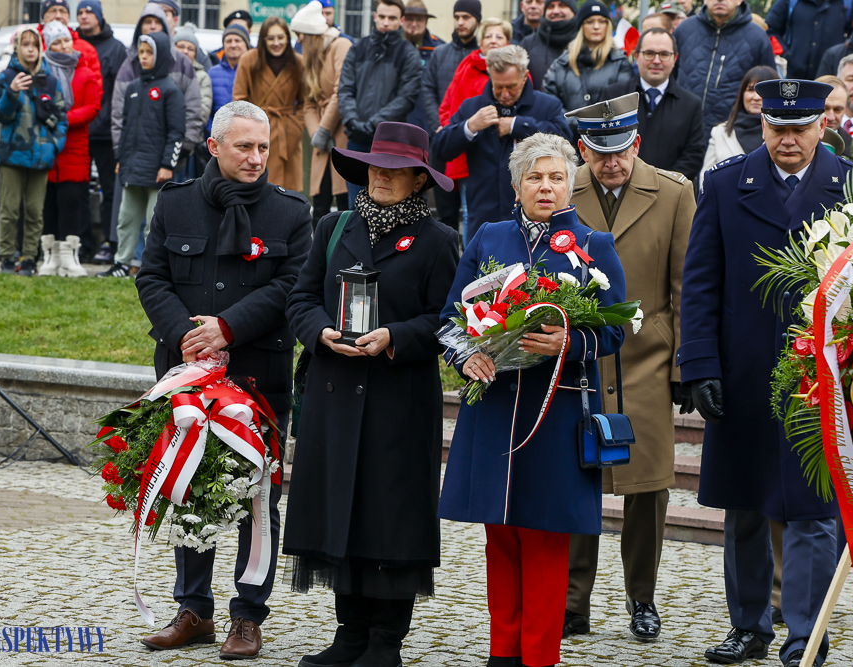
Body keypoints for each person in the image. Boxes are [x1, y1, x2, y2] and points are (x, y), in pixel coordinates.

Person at [679, 79, 853, 667]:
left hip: (825, 376)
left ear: (822, 126)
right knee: (744, 505)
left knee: (814, 508)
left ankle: (805, 635)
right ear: (761, 125)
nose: (788, 139)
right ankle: (749, 627)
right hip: (744, 374)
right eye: (777, 127)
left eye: (800, 127)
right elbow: (701, 284)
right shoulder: (724, 183)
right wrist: (700, 365)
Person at [438, 131, 627, 667]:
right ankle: (503, 654)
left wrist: (569, 341)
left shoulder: (595, 245)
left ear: (572, 183)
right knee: (500, 538)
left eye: (557, 178)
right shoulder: (488, 238)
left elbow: (615, 332)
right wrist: (463, 356)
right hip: (495, 407)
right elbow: (452, 319)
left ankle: (539, 657)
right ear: (516, 183)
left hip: (559, 410)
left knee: (545, 540)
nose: (546, 187)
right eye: (535, 177)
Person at [136, 100, 311, 661]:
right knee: (188, 488)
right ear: (214, 147)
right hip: (188, 375)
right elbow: (153, 276)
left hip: (258, 376)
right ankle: (194, 610)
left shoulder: (290, 213)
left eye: (263, 147)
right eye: (244, 147)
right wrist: (185, 335)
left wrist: (228, 328)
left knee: (257, 496)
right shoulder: (177, 203)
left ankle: (246, 616)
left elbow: (292, 288)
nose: (257, 157)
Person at [283, 121, 459, 667]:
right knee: (343, 512)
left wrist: (395, 337)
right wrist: (319, 332)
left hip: (399, 402)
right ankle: (349, 635)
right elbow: (301, 298)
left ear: (417, 179)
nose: (381, 176)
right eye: (376, 166)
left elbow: (449, 321)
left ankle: (386, 641)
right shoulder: (335, 226)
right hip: (336, 397)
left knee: (391, 517)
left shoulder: (438, 241)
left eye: (395, 169)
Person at [562, 92, 694, 642]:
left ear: (636, 144)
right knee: (576, 480)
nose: (611, 162)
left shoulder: (673, 192)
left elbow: (687, 284)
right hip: (579, 359)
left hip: (647, 355)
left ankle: (642, 597)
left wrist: (687, 364)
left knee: (647, 489)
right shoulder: (558, 189)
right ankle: (573, 602)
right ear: (581, 149)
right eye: (598, 152)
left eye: (620, 150)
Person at [433, 45, 570, 242]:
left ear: (525, 77)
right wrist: (470, 126)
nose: (504, 94)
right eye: (498, 87)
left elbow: (565, 138)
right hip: (484, 218)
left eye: (511, 87)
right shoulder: (472, 107)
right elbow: (440, 149)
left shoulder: (547, 105)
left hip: (536, 219)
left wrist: (518, 125)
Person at [99, 31, 184, 279]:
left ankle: (152, 268)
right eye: (141, 52)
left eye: (149, 53)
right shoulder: (133, 88)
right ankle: (122, 263)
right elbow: (126, 128)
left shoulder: (170, 90)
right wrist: (121, 160)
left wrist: (167, 164)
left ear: (160, 56)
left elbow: (177, 132)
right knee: (126, 220)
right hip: (132, 168)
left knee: (152, 224)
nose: (143, 57)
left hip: (157, 170)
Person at [0, 26, 67, 277]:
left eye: (34, 45)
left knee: (35, 212)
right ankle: (6, 257)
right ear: (17, 48)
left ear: (40, 48)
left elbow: (61, 118)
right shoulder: (7, 76)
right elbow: (1, 115)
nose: (30, 50)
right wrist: (12, 92)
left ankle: (28, 258)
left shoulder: (51, 80)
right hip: (12, 154)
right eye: (25, 45)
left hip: (40, 157)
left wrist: (53, 146)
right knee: (9, 210)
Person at [337, 0, 423, 205]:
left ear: (401, 20)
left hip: (390, 143)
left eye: (392, 18)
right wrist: (352, 120)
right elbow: (345, 89)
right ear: (374, 16)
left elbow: (406, 98)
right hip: (357, 138)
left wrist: (374, 125)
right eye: (382, 16)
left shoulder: (409, 54)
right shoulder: (358, 49)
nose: (386, 22)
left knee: (387, 202)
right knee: (355, 203)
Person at [38, 21, 101, 278]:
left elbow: (93, 106)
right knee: (48, 203)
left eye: (66, 41)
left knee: (71, 201)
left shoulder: (85, 72)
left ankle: (69, 256)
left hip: (75, 146)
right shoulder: (42, 73)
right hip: (48, 146)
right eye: (57, 43)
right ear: (48, 46)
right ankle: (50, 257)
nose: (64, 46)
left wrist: (63, 119)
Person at [112, 3, 203, 181]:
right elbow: (119, 116)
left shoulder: (182, 63)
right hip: (132, 161)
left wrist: (179, 152)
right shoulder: (129, 65)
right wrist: (120, 153)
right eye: (147, 21)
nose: (152, 26)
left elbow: (193, 110)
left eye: (157, 21)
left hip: (171, 161)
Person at [598, 28, 703, 181]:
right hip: (618, 188)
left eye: (664, 54)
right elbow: (600, 144)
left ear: (675, 59)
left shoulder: (691, 104)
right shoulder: (613, 97)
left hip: (669, 194)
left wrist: (663, 184)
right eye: (649, 53)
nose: (656, 60)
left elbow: (694, 155)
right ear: (636, 56)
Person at [436, 17, 511, 217]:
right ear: (480, 41)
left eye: (499, 36)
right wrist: (451, 129)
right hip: (467, 148)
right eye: (488, 36)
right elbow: (448, 104)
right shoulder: (466, 66)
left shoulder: (517, 71)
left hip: (505, 154)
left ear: (508, 42)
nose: (493, 40)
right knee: (472, 212)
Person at [419, 0, 481, 231]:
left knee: (473, 209)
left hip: (473, 142)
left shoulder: (483, 55)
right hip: (443, 140)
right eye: (457, 17)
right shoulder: (440, 53)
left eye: (466, 17)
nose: (461, 22)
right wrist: (438, 127)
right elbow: (427, 89)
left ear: (478, 20)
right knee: (445, 209)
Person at [674, 0, 777, 134]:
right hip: (682, 128)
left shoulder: (757, 38)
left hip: (733, 133)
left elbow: (770, 90)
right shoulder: (684, 30)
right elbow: (670, 78)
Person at [76, 0, 127, 265]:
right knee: (78, 189)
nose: (84, 17)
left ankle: (110, 241)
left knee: (110, 190)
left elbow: (119, 93)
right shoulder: (71, 45)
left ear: (99, 17)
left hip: (106, 132)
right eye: (80, 12)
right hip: (78, 130)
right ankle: (82, 243)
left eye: (89, 12)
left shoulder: (116, 49)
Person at [294, 0, 352, 229]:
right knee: (319, 203)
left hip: (341, 133)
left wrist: (325, 129)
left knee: (346, 201)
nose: (299, 40)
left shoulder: (341, 45)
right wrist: (317, 134)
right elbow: (307, 102)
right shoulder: (310, 57)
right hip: (321, 137)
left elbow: (341, 91)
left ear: (312, 34)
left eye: (302, 34)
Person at [232, 17, 305, 193]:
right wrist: (247, 131)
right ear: (263, 39)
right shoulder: (249, 60)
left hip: (288, 134)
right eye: (270, 38)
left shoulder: (298, 62)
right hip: (256, 133)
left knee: (287, 194)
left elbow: (305, 102)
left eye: (280, 37)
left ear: (288, 38)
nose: (276, 43)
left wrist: (296, 126)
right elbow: (239, 99)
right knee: (257, 187)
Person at [544, 1, 633, 134]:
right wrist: (579, 124)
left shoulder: (620, 62)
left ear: (607, 26)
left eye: (602, 21)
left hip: (607, 139)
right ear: (581, 26)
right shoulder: (562, 63)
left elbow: (625, 103)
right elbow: (550, 102)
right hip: (569, 140)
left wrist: (598, 124)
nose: (596, 26)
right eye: (590, 21)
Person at [699, 65, 777, 181]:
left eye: (762, 92)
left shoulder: (784, 134)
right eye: (750, 90)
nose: (756, 97)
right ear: (742, 94)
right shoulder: (720, 132)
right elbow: (705, 177)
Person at [764, 0, 853, 80]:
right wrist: (786, 54)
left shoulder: (848, 3)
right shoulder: (789, 2)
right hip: (793, 76)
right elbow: (770, 30)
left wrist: (841, 55)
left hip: (832, 77)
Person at [402, 0, 446, 132]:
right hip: (397, 122)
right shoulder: (394, 46)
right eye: (410, 19)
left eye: (419, 20)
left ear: (426, 22)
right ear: (402, 20)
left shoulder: (439, 49)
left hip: (427, 124)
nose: (414, 24)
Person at [520, 0, 578, 84]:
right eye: (551, 7)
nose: (556, 11)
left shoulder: (585, 42)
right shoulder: (528, 44)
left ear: (573, 10)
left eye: (562, 5)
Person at [208, 23, 250, 131]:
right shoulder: (212, 73)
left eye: (237, 40)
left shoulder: (255, 72)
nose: (233, 45)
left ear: (246, 45)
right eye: (228, 41)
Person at [174, 24, 213, 130]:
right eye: (181, 47)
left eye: (190, 48)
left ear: (195, 54)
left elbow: (203, 111)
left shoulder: (202, 77)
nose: (185, 51)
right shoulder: (163, 71)